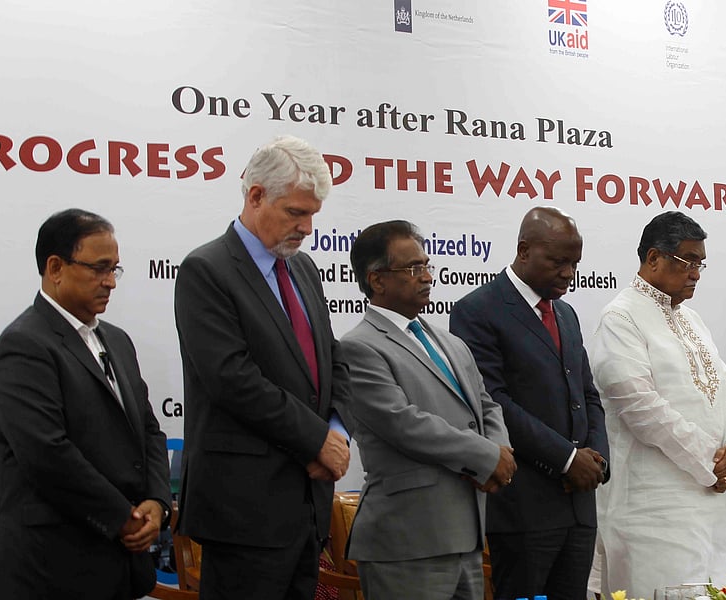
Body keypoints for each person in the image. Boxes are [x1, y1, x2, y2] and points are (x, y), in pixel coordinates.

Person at [174, 135, 352, 600]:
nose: (307, 227)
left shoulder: (304, 268)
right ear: (255, 196)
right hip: (243, 509)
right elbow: (232, 380)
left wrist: (336, 432)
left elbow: (332, 361)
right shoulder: (206, 270)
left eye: (313, 214)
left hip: (307, 503)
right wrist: (316, 440)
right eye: (296, 212)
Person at [590, 211, 726, 598]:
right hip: (657, 504)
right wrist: (712, 462)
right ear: (653, 258)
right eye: (687, 261)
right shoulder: (620, 318)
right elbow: (641, 408)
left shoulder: (693, 320)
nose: (695, 272)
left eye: (700, 263)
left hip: (724, 495)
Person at [0, 209, 170, 599]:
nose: (110, 282)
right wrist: (122, 518)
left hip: (121, 567)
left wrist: (157, 504)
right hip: (55, 568)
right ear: (55, 267)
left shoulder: (118, 341)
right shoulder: (24, 344)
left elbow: (148, 430)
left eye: (115, 270)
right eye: (99, 268)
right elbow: (46, 454)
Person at [339, 220, 514, 600]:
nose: (427, 277)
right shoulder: (358, 347)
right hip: (406, 541)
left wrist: (501, 451)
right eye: (413, 268)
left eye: (427, 265)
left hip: (466, 535)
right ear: (377, 280)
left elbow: (485, 404)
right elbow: (404, 425)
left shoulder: (451, 342)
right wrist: (485, 456)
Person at [450, 207, 609, 600]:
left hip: (579, 506)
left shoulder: (567, 314)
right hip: (525, 506)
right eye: (558, 262)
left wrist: (598, 460)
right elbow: (493, 402)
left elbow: (588, 394)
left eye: (574, 263)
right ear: (524, 250)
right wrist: (568, 460)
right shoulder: (477, 310)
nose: (569, 273)